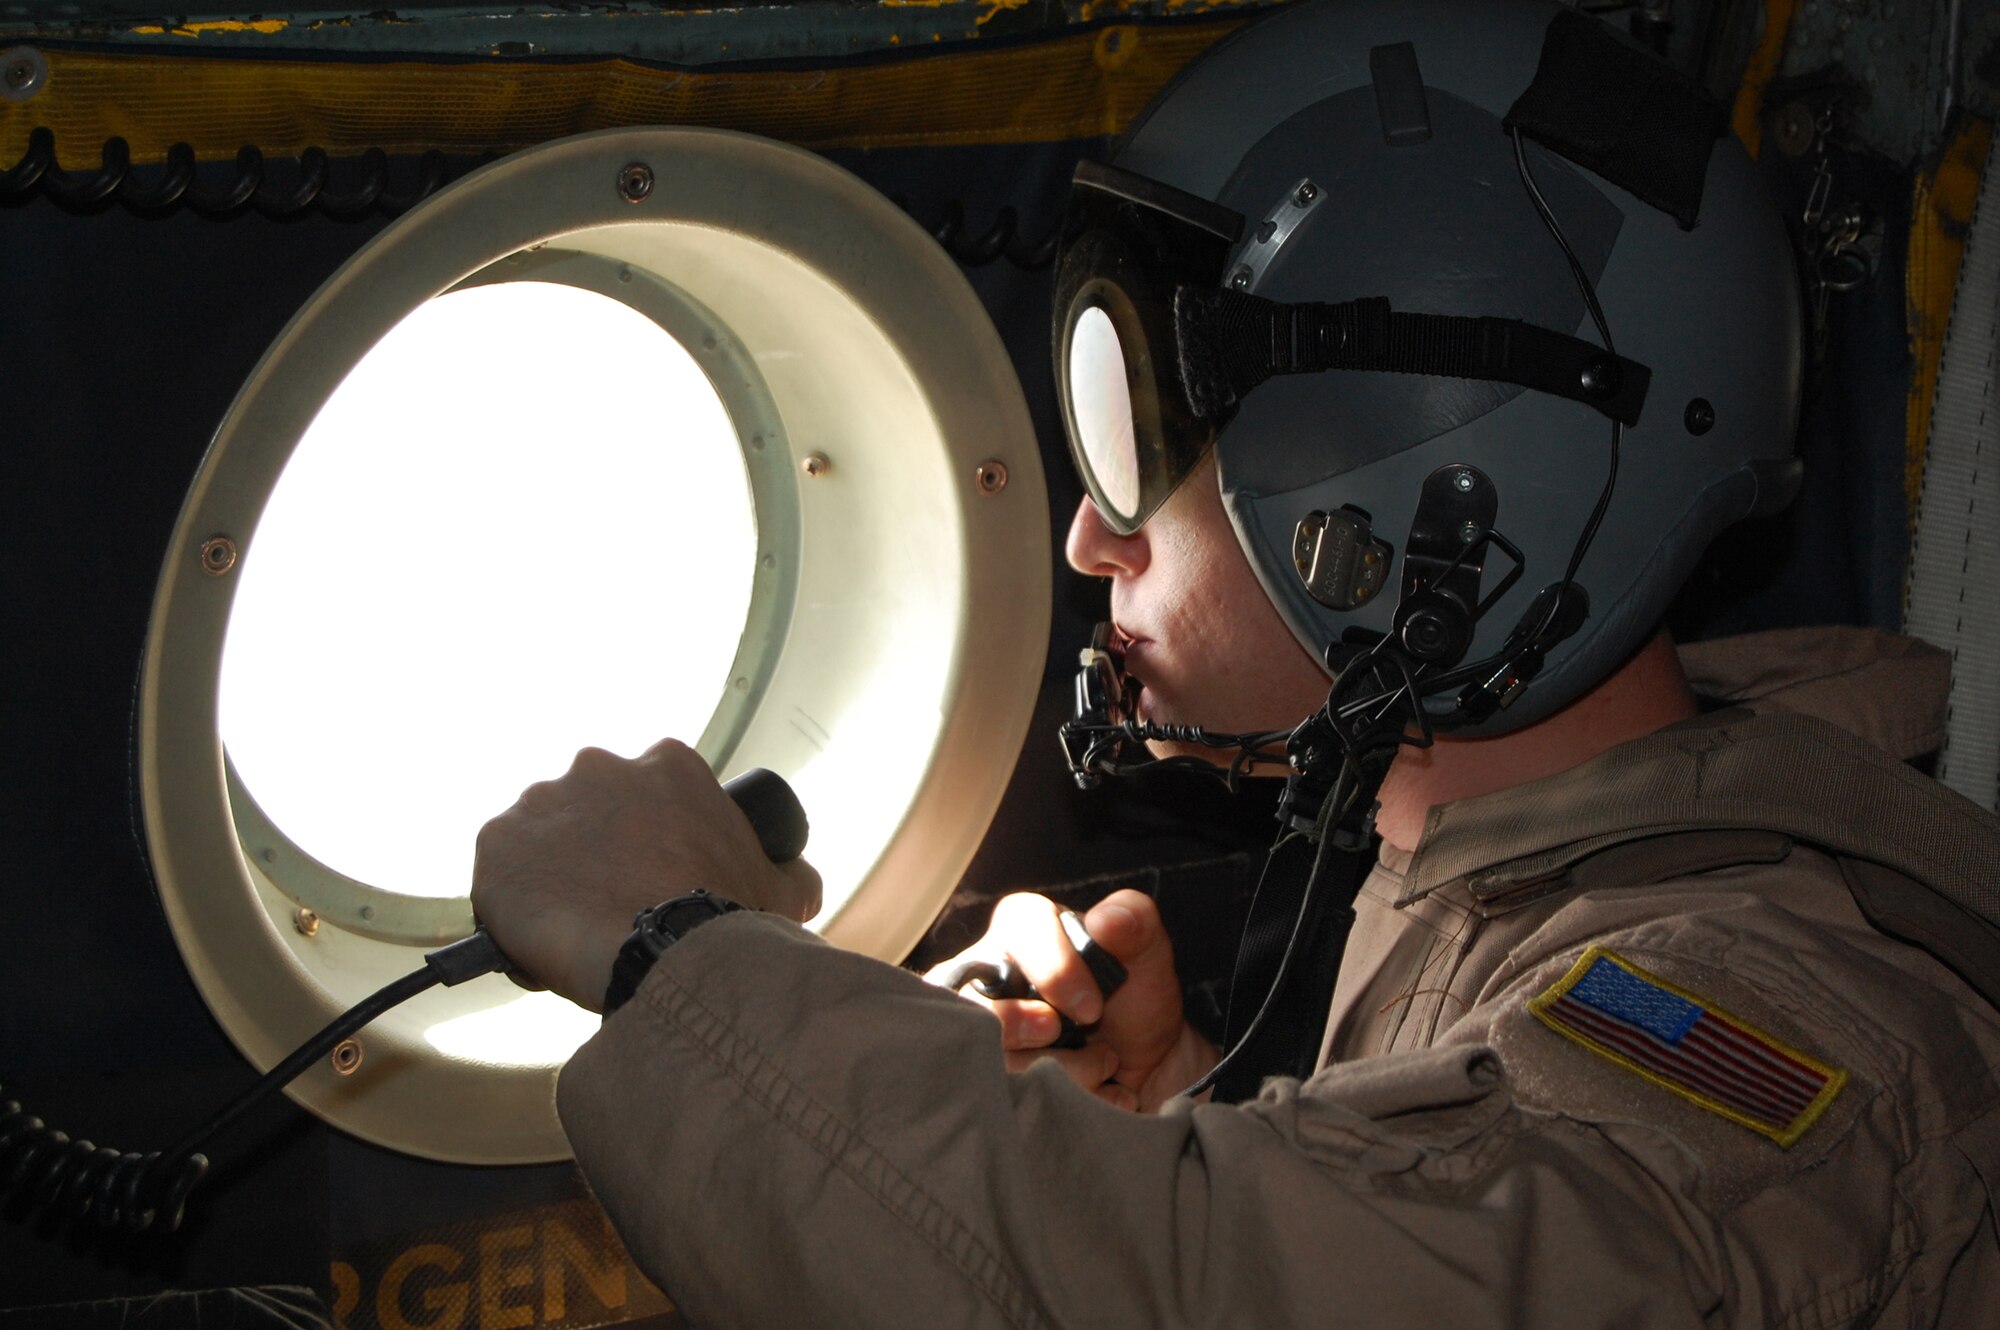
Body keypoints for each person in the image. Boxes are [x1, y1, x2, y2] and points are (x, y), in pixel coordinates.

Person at [470, 0, 2000, 1323]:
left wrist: (676, 949)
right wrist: (1174, 1113)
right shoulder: (1509, 874)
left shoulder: (1778, 1023)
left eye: (1142, 451)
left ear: (1421, 500)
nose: (1087, 537)